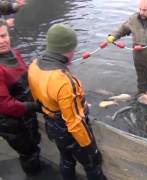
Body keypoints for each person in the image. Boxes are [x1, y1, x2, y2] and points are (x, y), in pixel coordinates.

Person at [28, 23, 107, 180]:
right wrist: (91, 149)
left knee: (66, 160)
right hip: (69, 132)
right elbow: (75, 123)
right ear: (69, 49)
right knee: (92, 166)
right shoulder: (64, 81)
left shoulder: (34, 65)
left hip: (51, 125)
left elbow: (36, 96)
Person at [0, 19, 42, 176]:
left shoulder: (14, 52)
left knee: (34, 142)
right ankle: (34, 174)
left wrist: (37, 68)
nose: (2, 41)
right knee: (28, 152)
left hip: (25, 112)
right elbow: (4, 105)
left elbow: (25, 74)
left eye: (3, 35)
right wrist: (35, 106)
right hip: (9, 121)